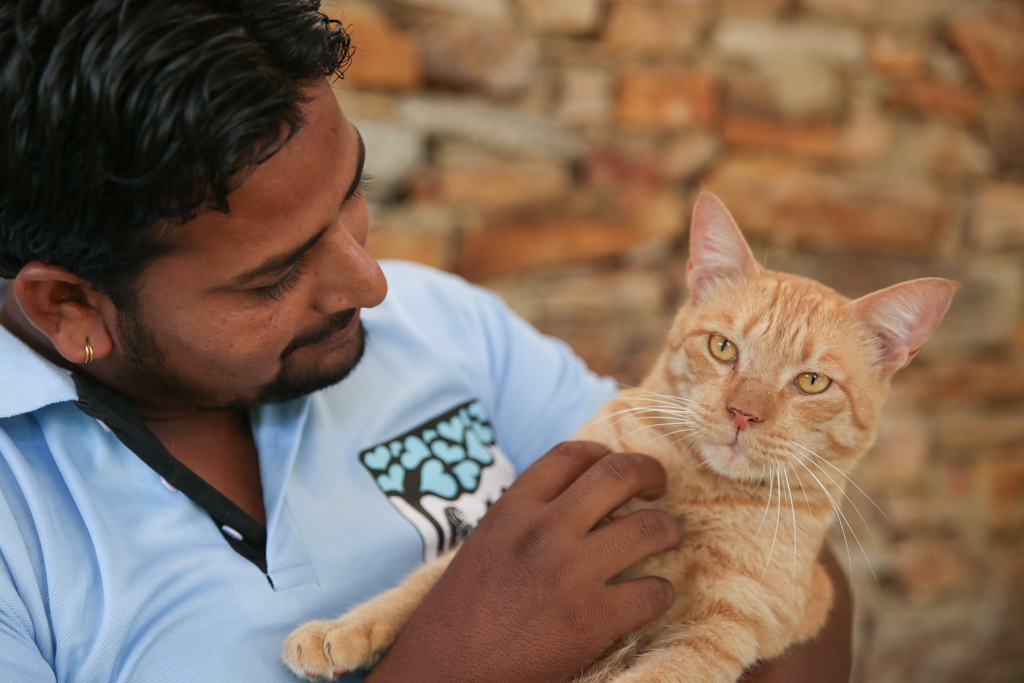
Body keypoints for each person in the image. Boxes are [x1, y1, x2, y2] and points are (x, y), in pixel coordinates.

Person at [0, 1, 851, 681]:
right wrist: (452, 660)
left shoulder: (447, 323)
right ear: (70, 304)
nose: (372, 283)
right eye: (271, 279)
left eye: (351, 193)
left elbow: (793, 573)